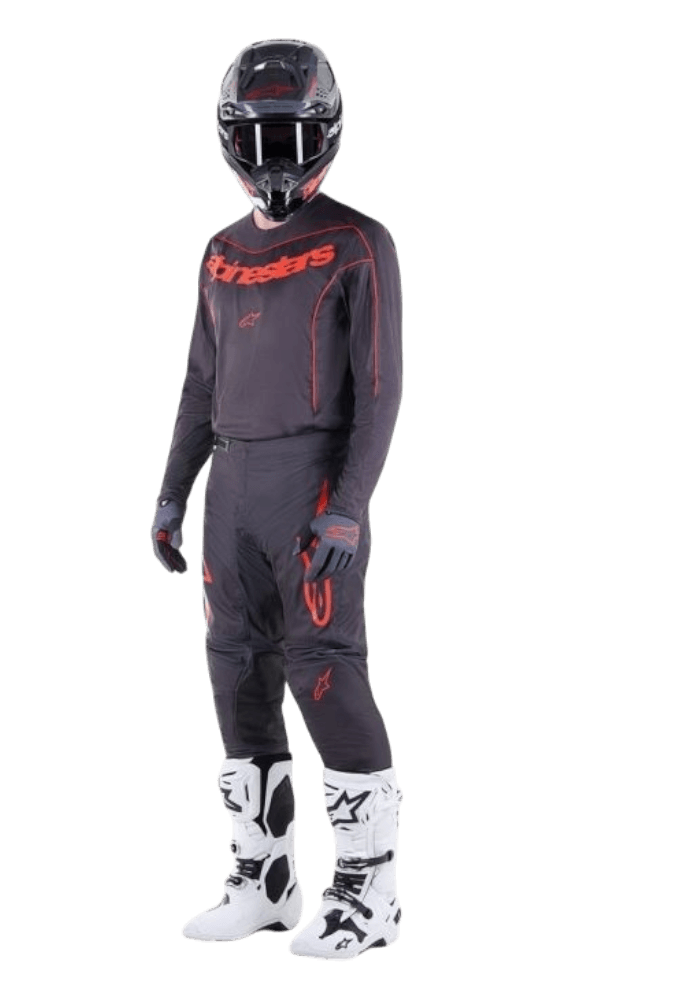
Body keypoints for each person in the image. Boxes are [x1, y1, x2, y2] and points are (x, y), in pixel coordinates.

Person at [150, 39, 404, 962]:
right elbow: (198, 384)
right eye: (258, 139)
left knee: (324, 673)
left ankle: (370, 895)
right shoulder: (220, 251)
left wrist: (349, 505)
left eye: (291, 137)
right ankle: (263, 883)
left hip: (311, 487)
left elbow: (381, 390)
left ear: (326, 133)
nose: (274, 161)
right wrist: (172, 493)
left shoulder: (358, 241)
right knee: (235, 676)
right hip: (231, 487)